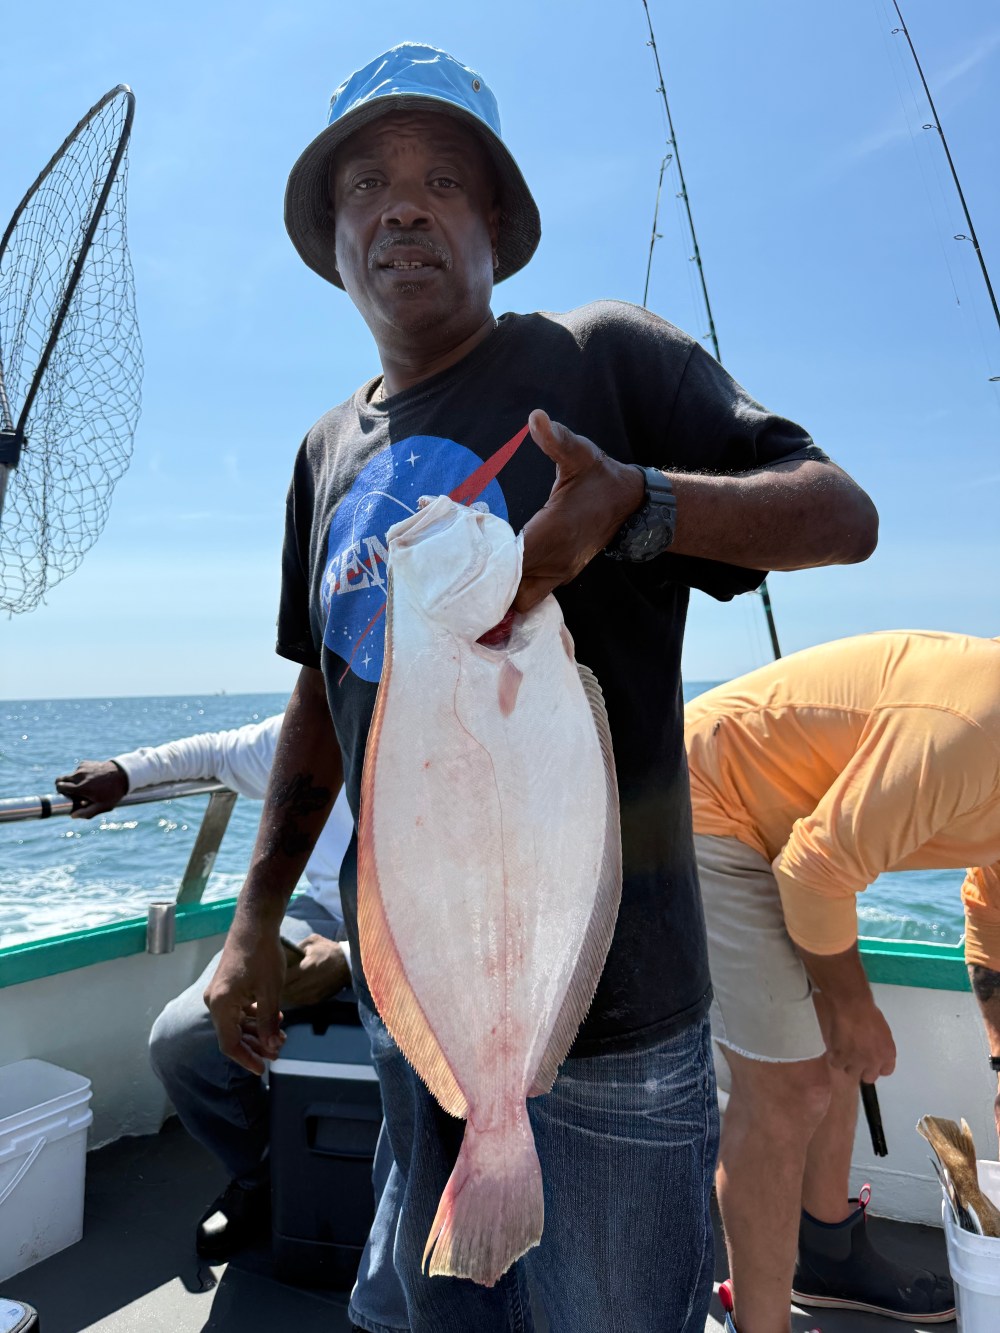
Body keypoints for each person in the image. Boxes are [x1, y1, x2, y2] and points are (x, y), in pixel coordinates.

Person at [203, 42, 879, 1333]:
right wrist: (253, 921)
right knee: (429, 1308)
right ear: (333, 239)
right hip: (429, 1003)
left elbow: (841, 514)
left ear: (497, 225)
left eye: (442, 179)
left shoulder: (605, 360)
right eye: (366, 186)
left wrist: (646, 507)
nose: (401, 206)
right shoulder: (324, 450)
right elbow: (322, 699)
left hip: (617, 1019)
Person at [685, 629, 1000, 1332]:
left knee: (837, 1045)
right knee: (788, 1085)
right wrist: (852, 1003)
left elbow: (991, 912)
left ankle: (825, 1253)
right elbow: (814, 869)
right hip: (708, 797)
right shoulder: (983, 727)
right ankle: (760, 1323)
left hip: (800, 830)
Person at [55, 717, 355, 1260]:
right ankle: (262, 1176)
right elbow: (214, 752)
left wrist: (352, 962)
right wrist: (127, 771)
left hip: (430, 942)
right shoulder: (319, 722)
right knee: (182, 1039)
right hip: (315, 917)